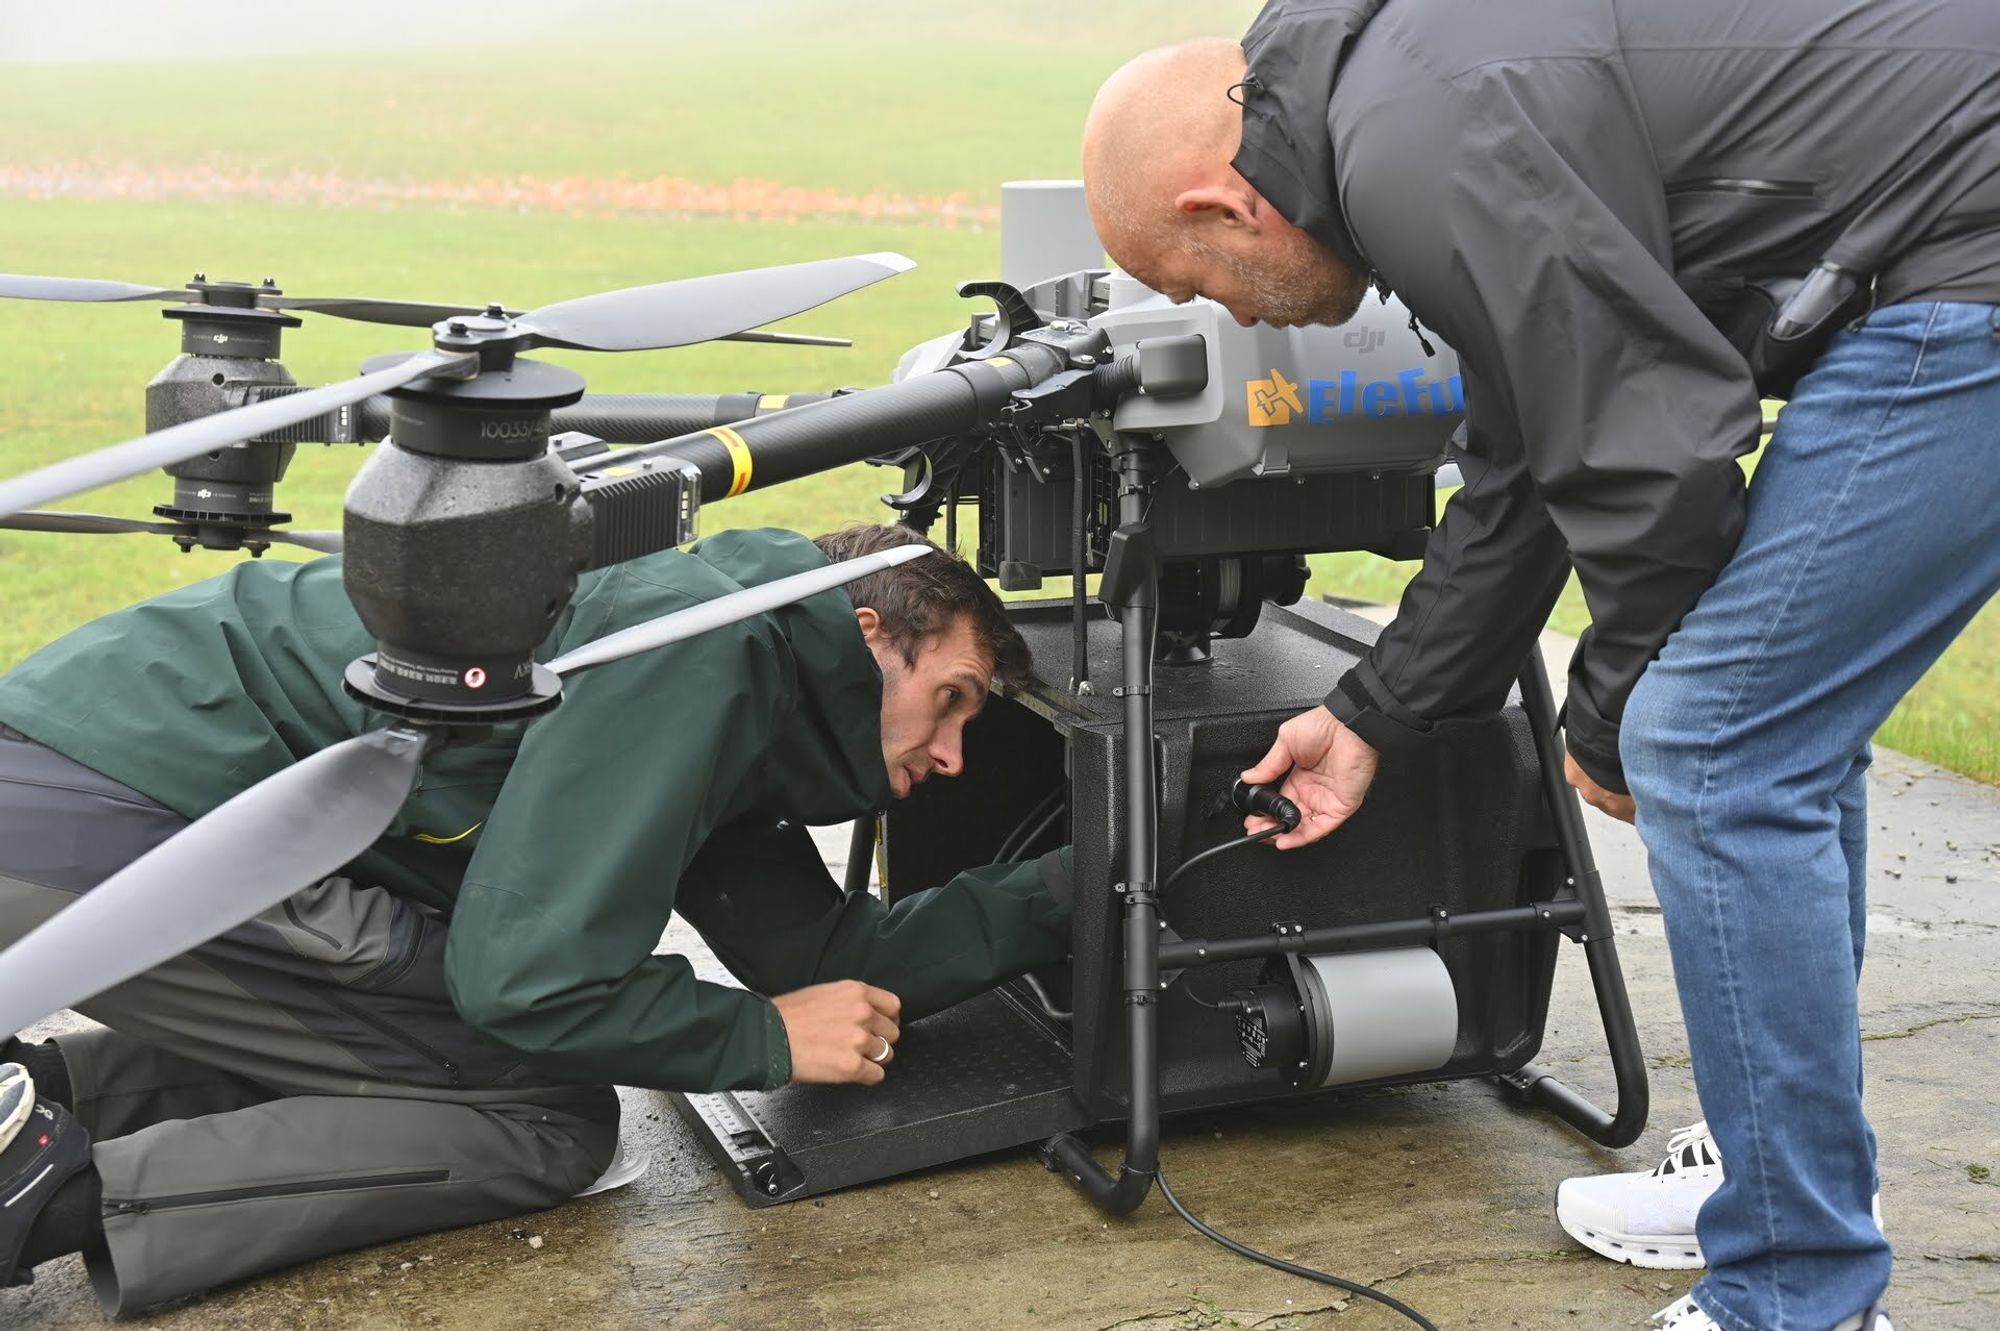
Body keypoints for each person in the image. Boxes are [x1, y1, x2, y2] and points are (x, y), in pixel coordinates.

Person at [1080, 4, 1998, 1330]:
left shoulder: (1416, 142)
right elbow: (1526, 450)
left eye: (1191, 280)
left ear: (1223, 202)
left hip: (1965, 264)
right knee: (1768, 737)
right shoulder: (1394, 104)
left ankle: (1799, 1287)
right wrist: (1375, 708)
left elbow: (1649, 450)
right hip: (1936, 251)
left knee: (1716, 746)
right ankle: (1782, 1182)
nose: (1219, 313)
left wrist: (1615, 713)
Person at [0, 522, 1074, 1314]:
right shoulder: (705, 650)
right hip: (119, 831)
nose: (951, 756)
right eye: (954, 698)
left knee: (439, 1046)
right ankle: (40, 1188)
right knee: (544, 1114)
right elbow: (529, 982)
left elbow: (837, 956)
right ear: (868, 630)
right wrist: (759, 1037)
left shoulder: (743, 679)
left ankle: (37, 1098)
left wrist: (1083, 883)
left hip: (76, 794)